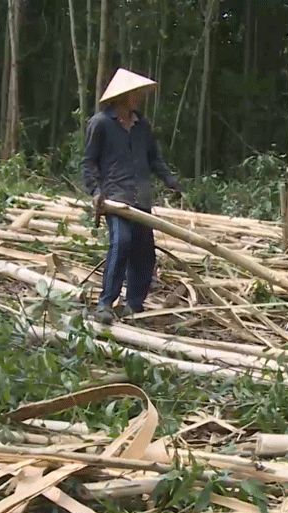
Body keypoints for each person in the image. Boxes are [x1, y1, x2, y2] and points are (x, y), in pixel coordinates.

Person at [82, 68, 181, 325]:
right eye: (135, 93)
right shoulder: (101, 124)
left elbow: (153, 158)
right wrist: (96, 191)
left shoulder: (141, 125)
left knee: (145, 253)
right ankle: (106, 303)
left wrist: (169, 179)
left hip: (141, 197)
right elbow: (89, 162)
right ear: (122, 96)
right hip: (116, 198)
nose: (139, 97)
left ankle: (134, 304)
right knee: (121, 243)